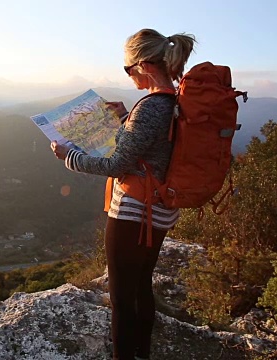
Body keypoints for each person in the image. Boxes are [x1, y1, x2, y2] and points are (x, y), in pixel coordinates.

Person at [51, 28, 196, 360]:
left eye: (128, 70)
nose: (129, 76)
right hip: (161, 209)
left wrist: (68, 157)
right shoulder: (176, 100)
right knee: (141, 284)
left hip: (135, 212)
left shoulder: (152, 107)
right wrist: (126, 117)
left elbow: (117, 165)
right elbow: (154, 145)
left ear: (143, 65)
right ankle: (142, 354)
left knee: (120, 298)